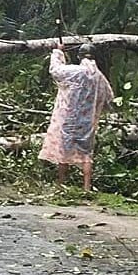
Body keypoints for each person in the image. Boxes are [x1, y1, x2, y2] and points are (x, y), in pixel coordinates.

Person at [39, 43, 113, 192]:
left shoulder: (77, 72)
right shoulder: (99, 77)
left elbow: (56, 71)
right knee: (86, 153)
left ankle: (61, 183)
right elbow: (109, 96)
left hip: (70, 117)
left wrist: (58, 52)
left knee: (64, 148)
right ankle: (86, 187)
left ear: (80, 56)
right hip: (88, 121)